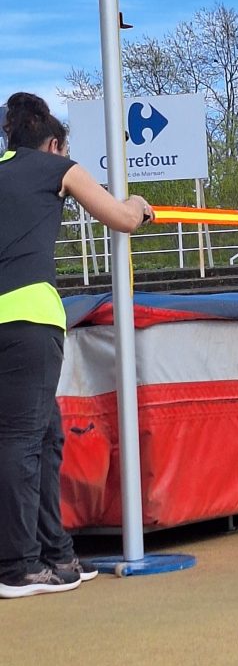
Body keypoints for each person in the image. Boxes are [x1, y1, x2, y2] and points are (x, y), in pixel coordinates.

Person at [0, 93, 155, 599]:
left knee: (46, 436)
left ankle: (55, 552)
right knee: (23, 441)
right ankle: (17, 566)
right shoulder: (55, 167)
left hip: (9, 322)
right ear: (52, 143)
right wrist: (140, 206)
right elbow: (121, 218)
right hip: (29, 319)